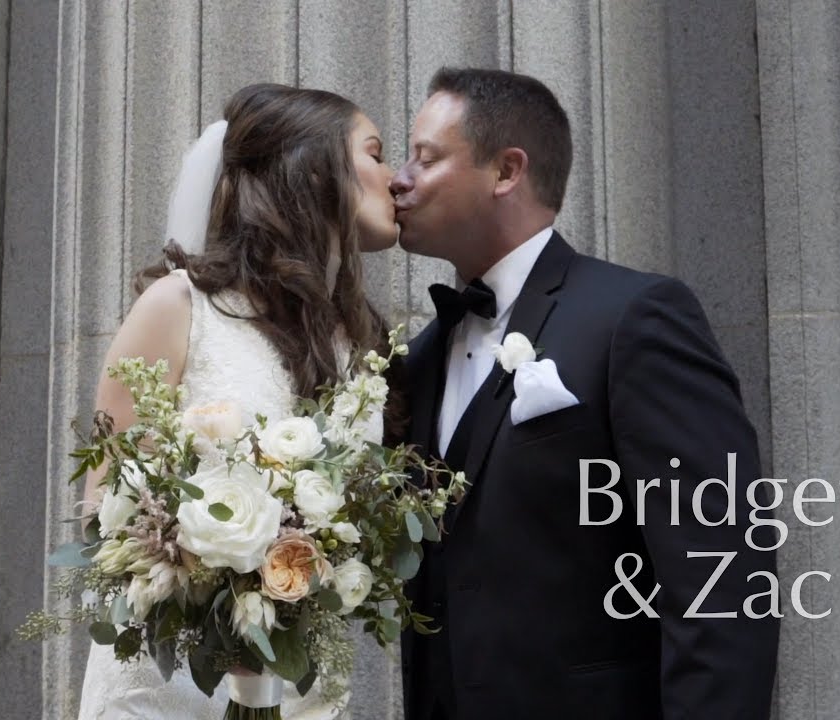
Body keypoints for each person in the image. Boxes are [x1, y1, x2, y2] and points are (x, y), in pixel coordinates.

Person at [391, 67, 780, 720]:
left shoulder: (636, 316)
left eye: (424, 158)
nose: (398, 179)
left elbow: (722, 578)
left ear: (506, 171)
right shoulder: (420, 358)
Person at [74, 82, 399, 719]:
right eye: (376, 151)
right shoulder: (179, 307)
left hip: (302, 684)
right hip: (175, 686)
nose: (396, 175)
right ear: (314, 165)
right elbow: (101, 515)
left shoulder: (354, 342)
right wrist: (213, 570)